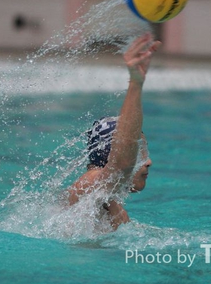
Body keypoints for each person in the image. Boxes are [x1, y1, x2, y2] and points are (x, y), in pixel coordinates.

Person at [68, 33, 160, 230]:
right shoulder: (90, 185)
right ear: (112, 153)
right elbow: (122, 165)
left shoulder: (117, 212)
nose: (149, 161)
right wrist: (136, 83)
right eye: (139, 152)